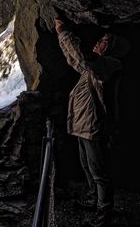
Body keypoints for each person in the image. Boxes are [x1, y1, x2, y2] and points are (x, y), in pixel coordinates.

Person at [54, 18, 130, 227]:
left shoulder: (109, 65)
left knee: (98, 171)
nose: (98, 42)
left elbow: (81, 60)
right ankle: (93, 198)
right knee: (87, 165)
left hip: (92, 125)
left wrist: (63, 33)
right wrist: (63, 38)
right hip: (82, 124)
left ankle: (103, 209)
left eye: (104, 41)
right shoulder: (99, 66)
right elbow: (75, 61)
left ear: (111, 47)